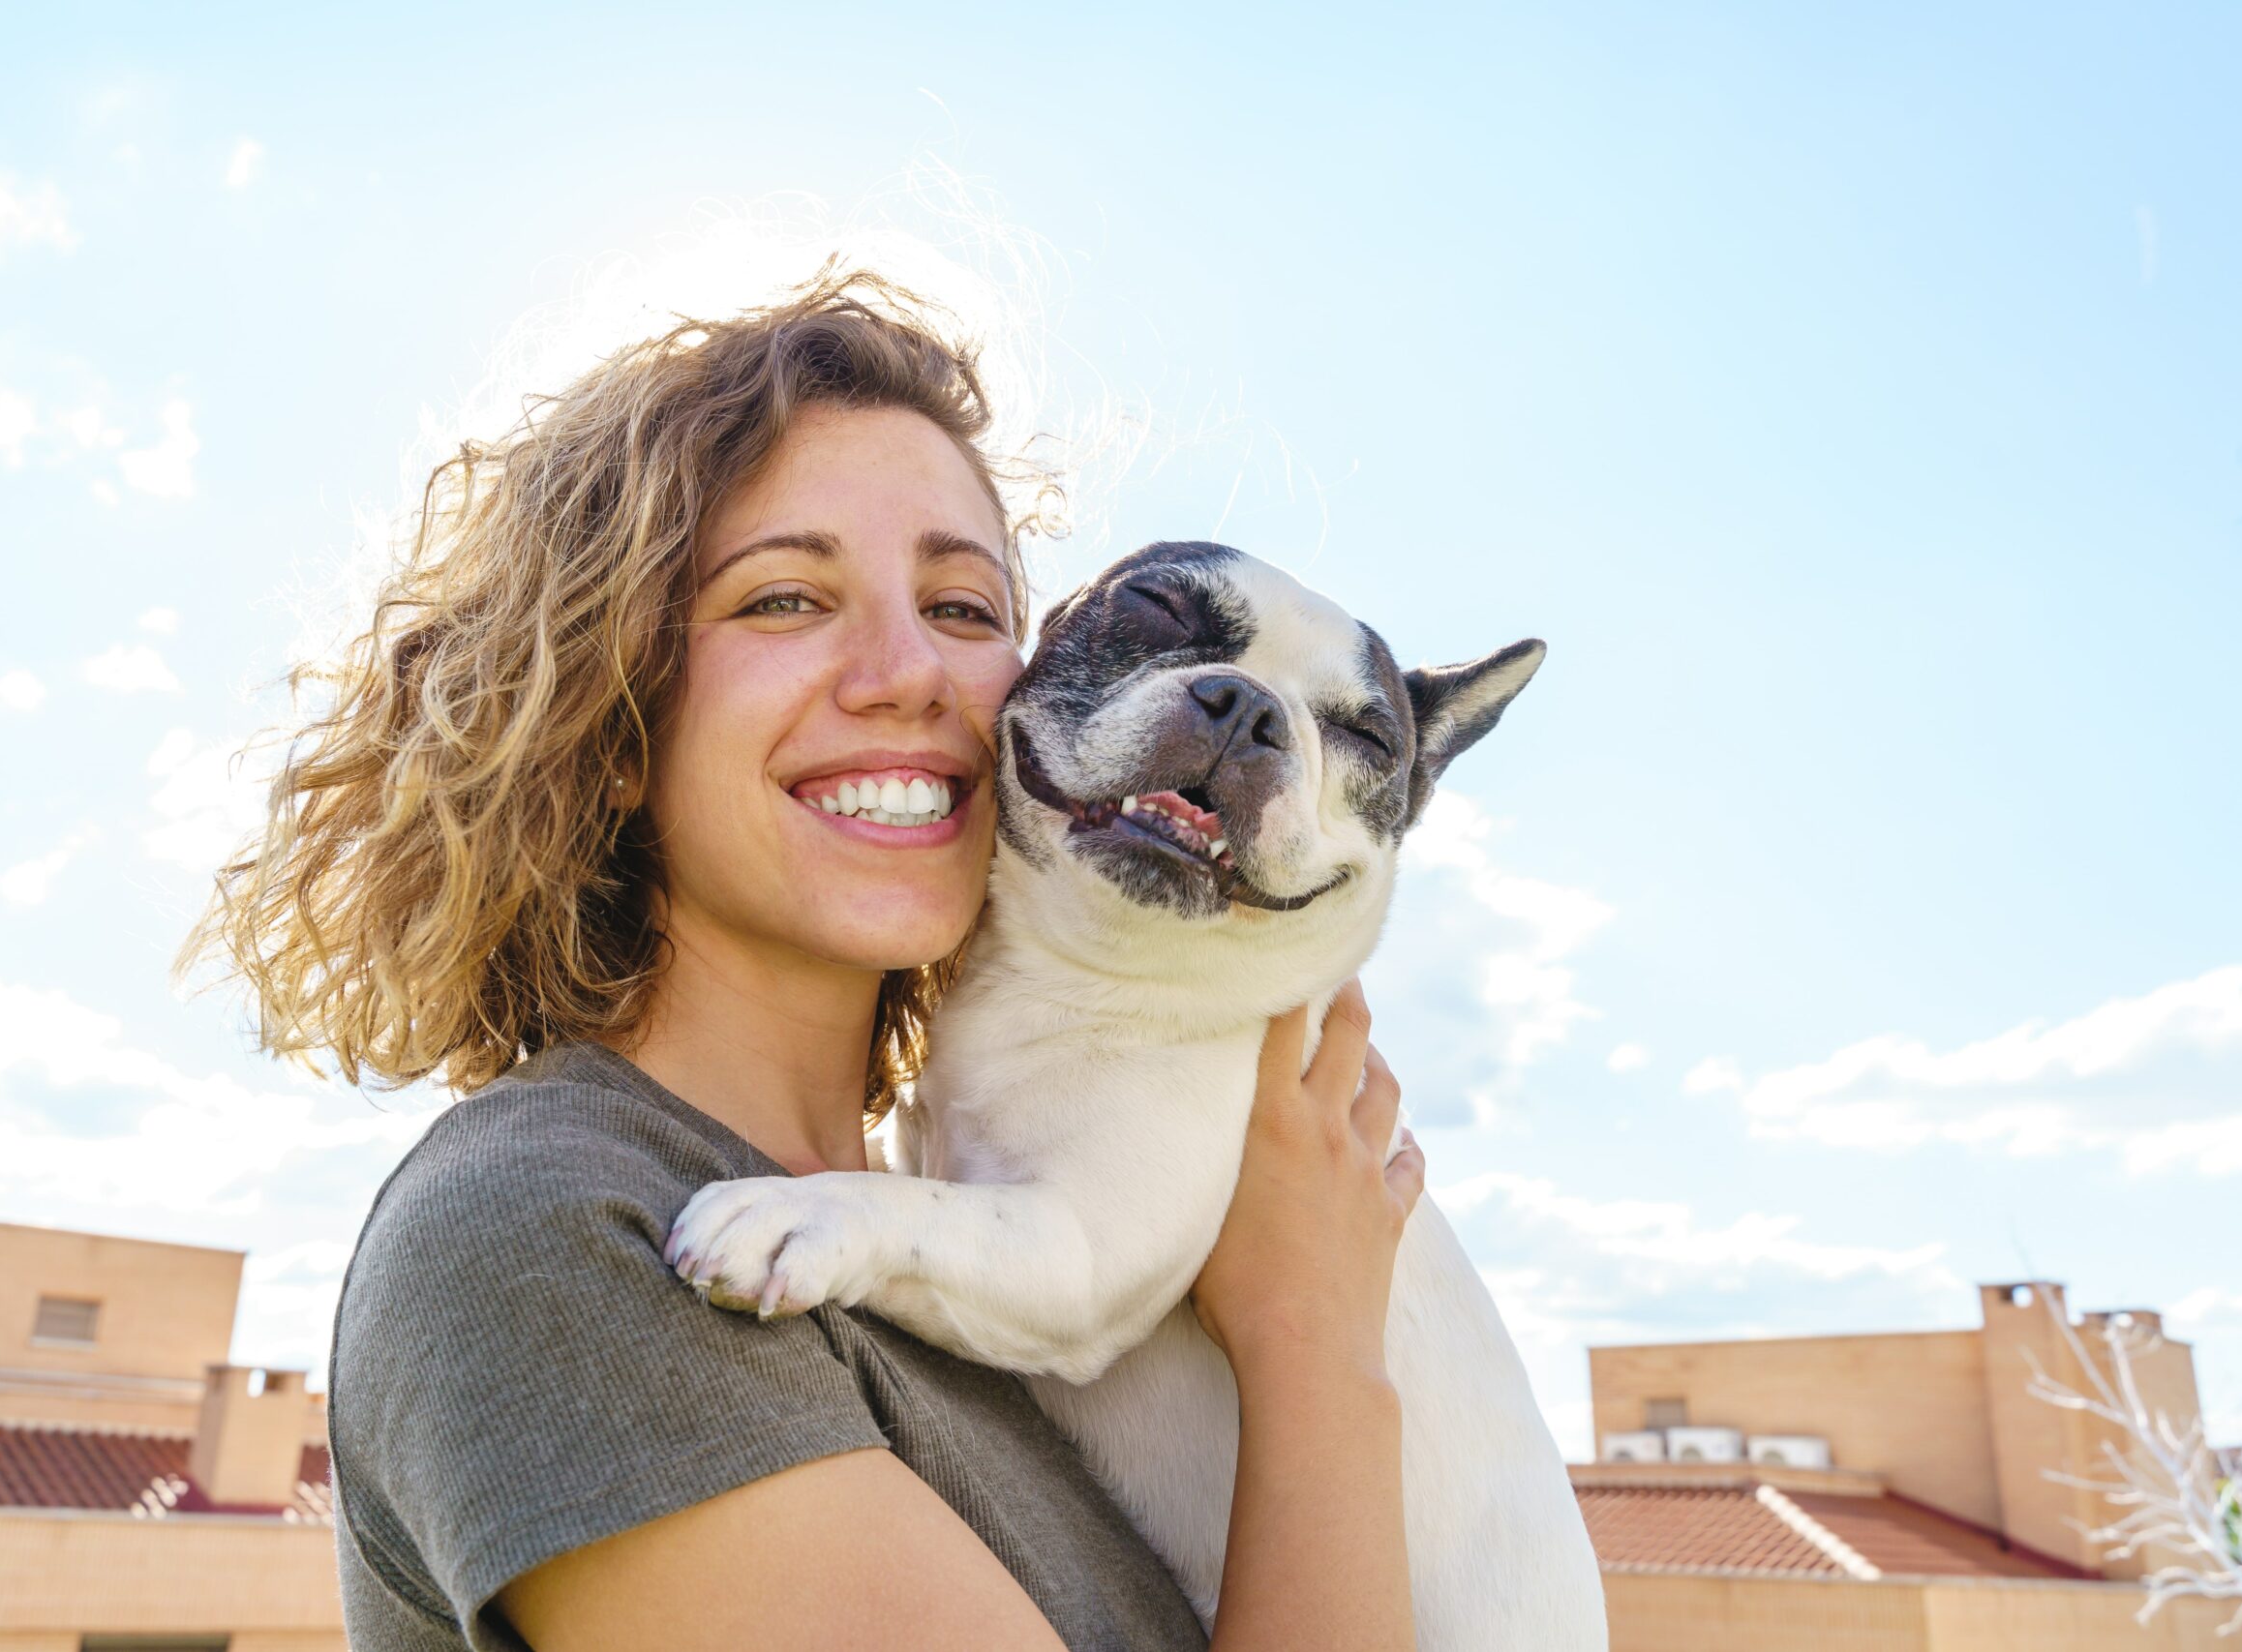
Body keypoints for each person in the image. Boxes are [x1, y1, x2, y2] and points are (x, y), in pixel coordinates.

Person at [191, 265, 1426, 1651]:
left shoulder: (938, 1261)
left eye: (965, 611)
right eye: (786, 600)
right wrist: (1319, 1353)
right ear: (602, 721)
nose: (910, 672)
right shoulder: (558, 1236)